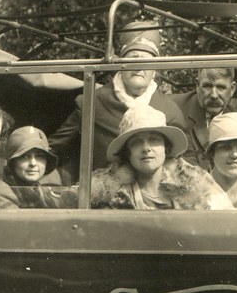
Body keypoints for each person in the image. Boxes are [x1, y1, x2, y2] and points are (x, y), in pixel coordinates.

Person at [48, 21, 186, 181]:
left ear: (155, 69)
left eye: (147, 61)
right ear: (121, 63)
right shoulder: (92, 102)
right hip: (102, 197)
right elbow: (54, 148)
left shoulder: (169, 110)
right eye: (134, 59)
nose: (139, 67)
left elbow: (184, 160)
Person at [90, 104, 219, 210]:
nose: (146, 148)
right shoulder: (111, 195)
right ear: (127, 152)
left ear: (165, 147)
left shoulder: (195, 185)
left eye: (153, 139)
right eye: (136, 142)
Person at [172, 68, 237, 167]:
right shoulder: (174, 108)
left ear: (232, 89)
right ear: (197, 85)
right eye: (207, 86)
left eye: (221, 87)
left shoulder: (236, 121)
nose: (214, 95)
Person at [0, 126, 65, 209]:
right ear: (12, 162)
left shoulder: (41, 191)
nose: (33, 163)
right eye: (24, 156)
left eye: (40, 156)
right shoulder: (1, 191)